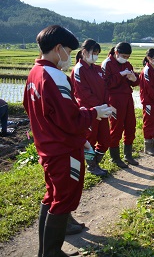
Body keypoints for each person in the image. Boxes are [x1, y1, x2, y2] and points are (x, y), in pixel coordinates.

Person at [23, 25, 112, 257]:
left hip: (47, 146)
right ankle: (52, 253)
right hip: (63, 149)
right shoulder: (55, 76)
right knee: (63, 199)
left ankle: (46, 252)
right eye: (69, 52)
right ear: (58, 48)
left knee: (52, 196)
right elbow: (70, 118)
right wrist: (94, 113)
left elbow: (32, 109)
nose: (69, 58)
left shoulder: (34, 73)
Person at [71, 39, 110, 177]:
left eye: (97, 53)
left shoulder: (98, 69)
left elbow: (105, 88)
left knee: (105, 139)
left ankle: (96, 162)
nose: (95, 55)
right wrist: (97, 107)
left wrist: (106, 105)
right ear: (84, 52)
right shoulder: (79, 69)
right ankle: (91, 166)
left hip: (102, 110)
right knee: (90, 140)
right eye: (93, 52)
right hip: (89, 112)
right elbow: (83, 93)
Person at [102, 42, 140, 168]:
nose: (125, 59)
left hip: (127, 97)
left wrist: (134, 79)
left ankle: (128, 154)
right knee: (116, 126)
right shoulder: (107, 63)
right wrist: (120, 75)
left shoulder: (127, 64)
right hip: (114, 99)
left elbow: (134, 82)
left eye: (128, 57)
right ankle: (115, 156)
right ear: (116, 53)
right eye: (124, 56)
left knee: (131, 125)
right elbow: (105, 84)